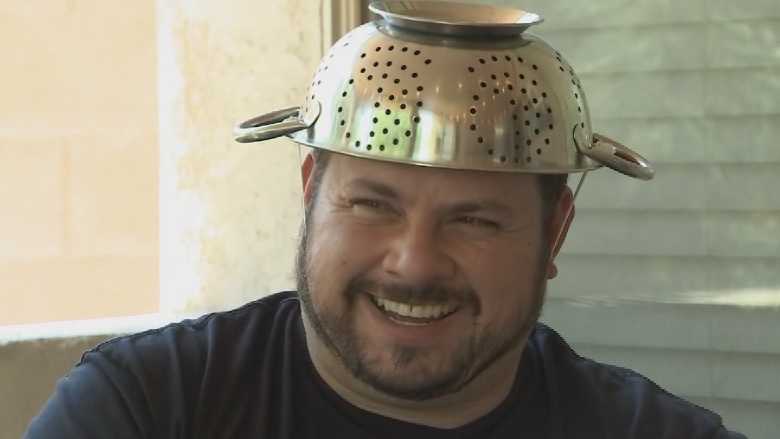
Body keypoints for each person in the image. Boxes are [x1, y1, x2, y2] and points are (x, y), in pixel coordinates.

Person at [26, 2, 746, 438]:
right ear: (311, 191)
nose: (414, 261)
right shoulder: (148, 408)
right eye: (372, 204)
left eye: (476, 219)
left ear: (554, 231)